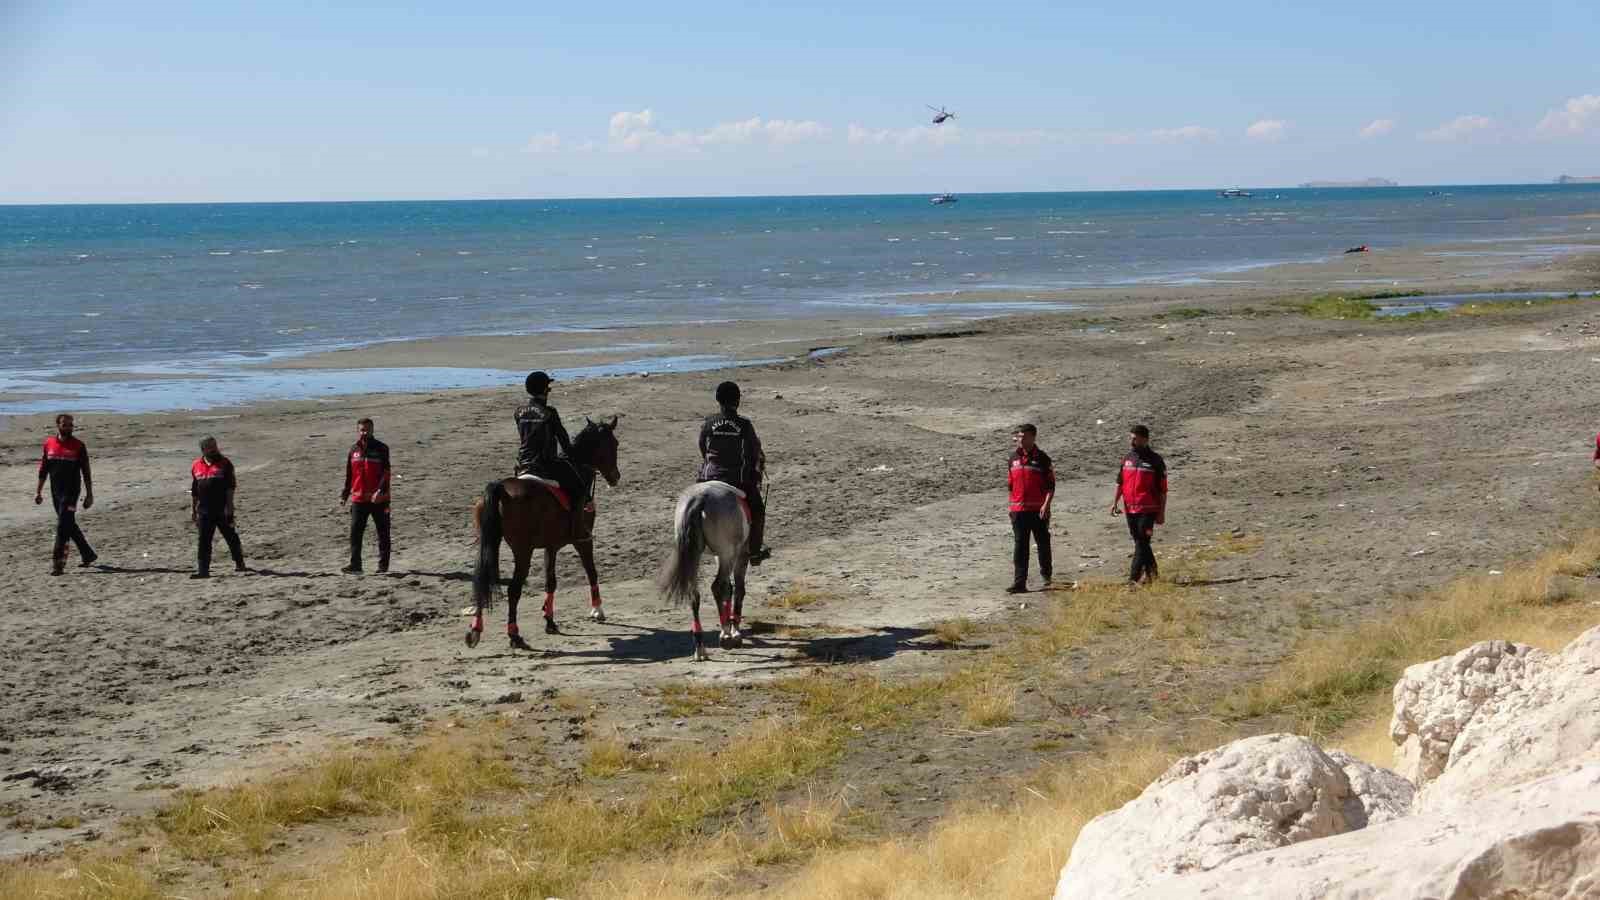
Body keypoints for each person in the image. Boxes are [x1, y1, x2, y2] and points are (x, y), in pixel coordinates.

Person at [698, 381, 770, 564]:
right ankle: (754, 551)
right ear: (737, 401)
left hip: (707, 477)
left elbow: (702, 448)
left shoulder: (708, 423)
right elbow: (754, 451)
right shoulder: (744, 424)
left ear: (718, 400)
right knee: (758, 510)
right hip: (736, 479)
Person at [515, 371, 587, 536]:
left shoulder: (518, 412)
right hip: (545, 464)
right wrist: (572, 455)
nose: (549, 390)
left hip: (523, 464)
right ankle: (577, 527)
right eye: (548, 387)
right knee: (579, 488)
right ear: (544, 390)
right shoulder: (550, 413)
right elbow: (564, 442)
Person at [34, 413, 97, 575]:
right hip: (56, 492)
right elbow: (43, 469)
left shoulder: (79, 446)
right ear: (58, 425)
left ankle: (58, 564)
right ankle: (88, 554)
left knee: (62, 526)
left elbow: (86, 472)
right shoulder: (49, 444)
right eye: (65, 424)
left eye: (71, 425)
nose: (68, 427)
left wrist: (89, 494)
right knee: (68, 523)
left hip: (71, 493)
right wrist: (38, 491)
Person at [1110, 424, 1167, 586]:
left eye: (1135, 438)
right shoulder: (1127, 458)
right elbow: (1120, 482)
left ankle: (1133, 578)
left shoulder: (1156, 460)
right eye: (1131, 438)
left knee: (1142, 541)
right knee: (1140, 541)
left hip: (1148, 509)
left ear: (1144, 439)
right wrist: (1114, 502)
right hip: (1130, 508)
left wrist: (1162, 512)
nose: (1132, 441)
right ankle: (1152, 573)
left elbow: (1163, 490)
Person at [1006, 423, 1054, 593]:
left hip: (1038, 511)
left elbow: (1050, 486)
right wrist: (1011, 507)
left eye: (1024, 436)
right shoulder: (1013, 458)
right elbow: (1011, 486)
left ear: (1033, 437)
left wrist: (1046, 505)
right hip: (1018, 512)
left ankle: (1046, 576)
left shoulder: (1042, 458)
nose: (1020, 439)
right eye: (1018, 436)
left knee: (1042, 543)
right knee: (1020, 547)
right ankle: (1019, 583)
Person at [340, 417, 391, 574]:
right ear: (358, 430)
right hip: (359, 499)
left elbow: (386, 472)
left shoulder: (381, 448)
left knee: (383, 533)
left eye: (367, 429)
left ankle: (383, 566)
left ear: (372, 429)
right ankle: (356, 565)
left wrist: (380, 491)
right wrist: (344, 494)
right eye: (362, 429)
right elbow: (350, 474)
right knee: (355, 533)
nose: (365, 432)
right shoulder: (353, 449)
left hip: (379, 500)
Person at [191, 436, 246, 578]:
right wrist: (193, 510)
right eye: (209, 446)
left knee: (231, 537)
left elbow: (230, 488)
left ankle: (240, 563)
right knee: (203, 541)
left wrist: (230, 508)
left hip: (222, 509)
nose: (214, 448)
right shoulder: (196, 465)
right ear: (203, 449)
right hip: (204, 510)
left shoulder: (225, 463)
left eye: (214, 445)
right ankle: (203, 571)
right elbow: (195, 490)